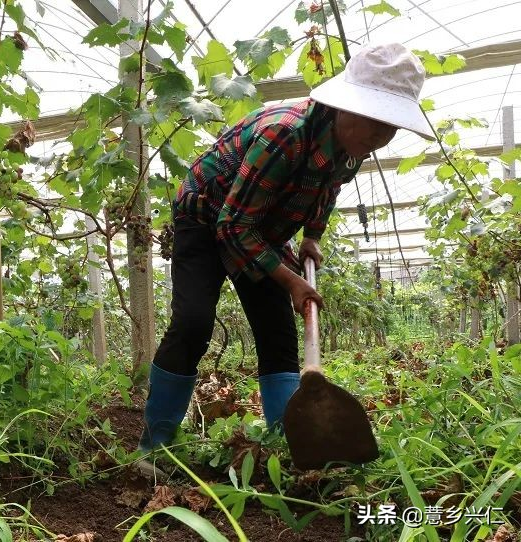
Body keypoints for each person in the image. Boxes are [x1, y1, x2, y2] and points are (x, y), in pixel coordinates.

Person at [138, 43, 435, 453]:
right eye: (375, 123)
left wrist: (312, 236)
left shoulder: (351, 150)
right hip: (207, 216)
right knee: (193, 322)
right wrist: (291, 281)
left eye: (392, 126)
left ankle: (291, 442)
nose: (382, 137)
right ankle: (155, 445)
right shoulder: (285, 134)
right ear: (346, 107)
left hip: (261, 226)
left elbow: (327, 190)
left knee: (277, 332)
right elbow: (232, 225)